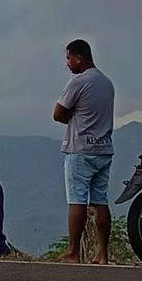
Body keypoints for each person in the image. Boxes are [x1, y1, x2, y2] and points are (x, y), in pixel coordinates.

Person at [52, 38, 115, 264]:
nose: (68, 64)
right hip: (104, 148)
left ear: (79, 57)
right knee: (100, 200)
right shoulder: (107, 83)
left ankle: (73, 252)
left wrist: (72, 116)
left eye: (69, 58)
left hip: (80, 149)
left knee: (77, 200)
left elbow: (58, 114)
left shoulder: (78, 82)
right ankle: (103, 254)